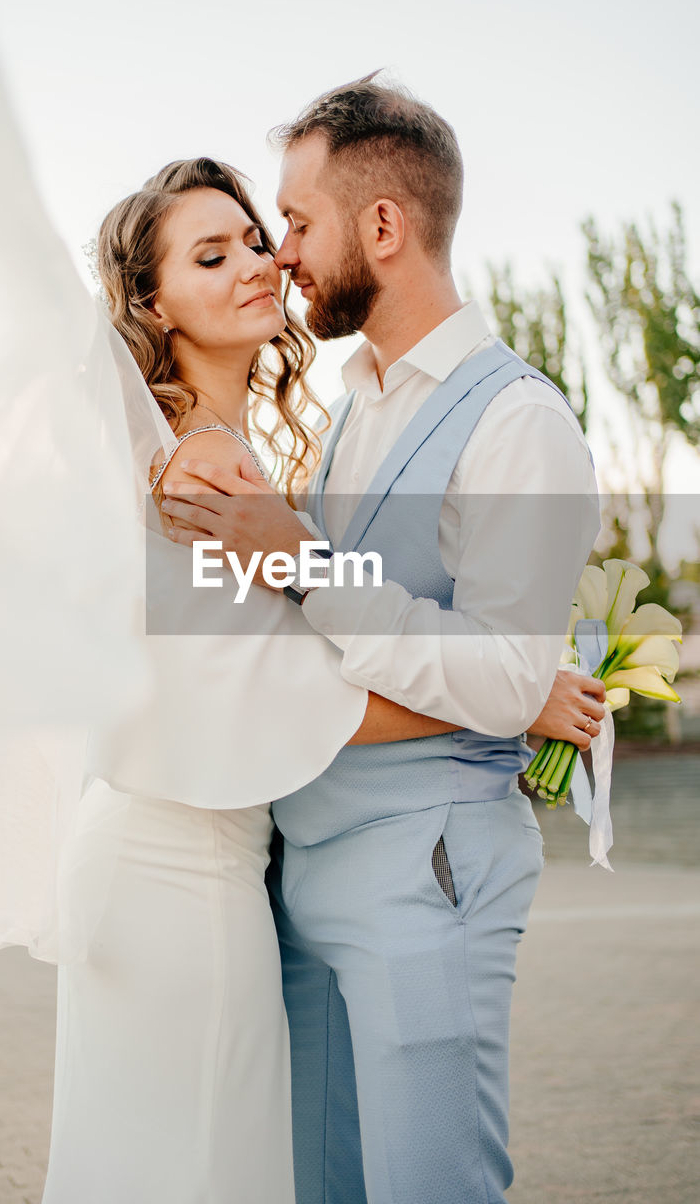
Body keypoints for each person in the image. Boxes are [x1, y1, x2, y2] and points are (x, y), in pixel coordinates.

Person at [161, 77, 603, 1204]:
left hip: (427, 876)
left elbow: (502, 671)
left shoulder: (520, 423)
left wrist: (301, 557)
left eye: (297, 223)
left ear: (384, 226)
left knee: (429, 1187)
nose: (282, 254)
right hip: (300, 876)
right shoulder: (354, 401)